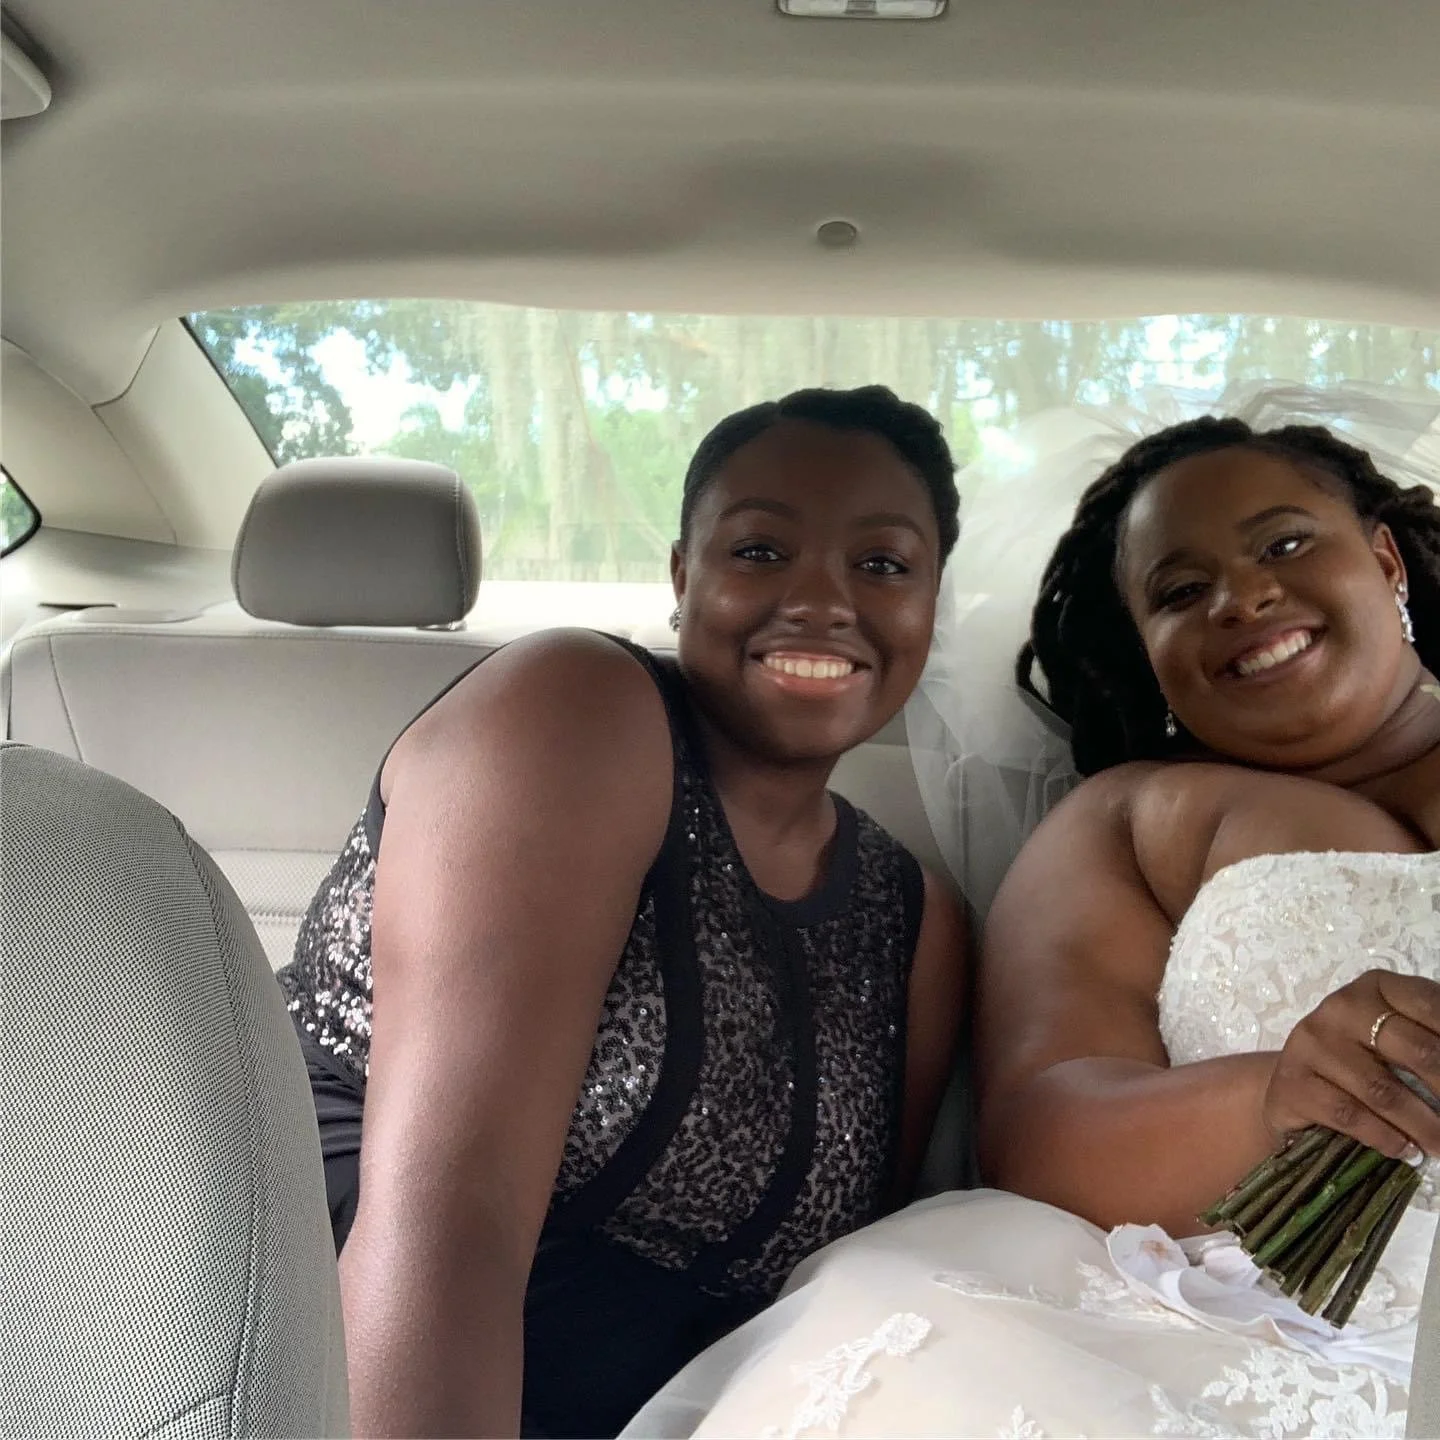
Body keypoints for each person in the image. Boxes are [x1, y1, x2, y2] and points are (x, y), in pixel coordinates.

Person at [622, 400, 1440, 1439]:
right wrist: (1276, 1102)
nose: (1244, 596)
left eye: (1284, 542)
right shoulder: (1131, 820)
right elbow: (1043, 1130)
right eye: (1183, 591)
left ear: (1385, 562)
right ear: (1147, 654)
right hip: (1224, 1320)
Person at [276, 385, 970, 1438]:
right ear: (683, 578)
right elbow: (443, 1226)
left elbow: (850, 1277)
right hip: (371, 1359)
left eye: (882, 566)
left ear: (931, 606)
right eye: (760, 552)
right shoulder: (569, 713)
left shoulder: (915, 918)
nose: (825, 599)